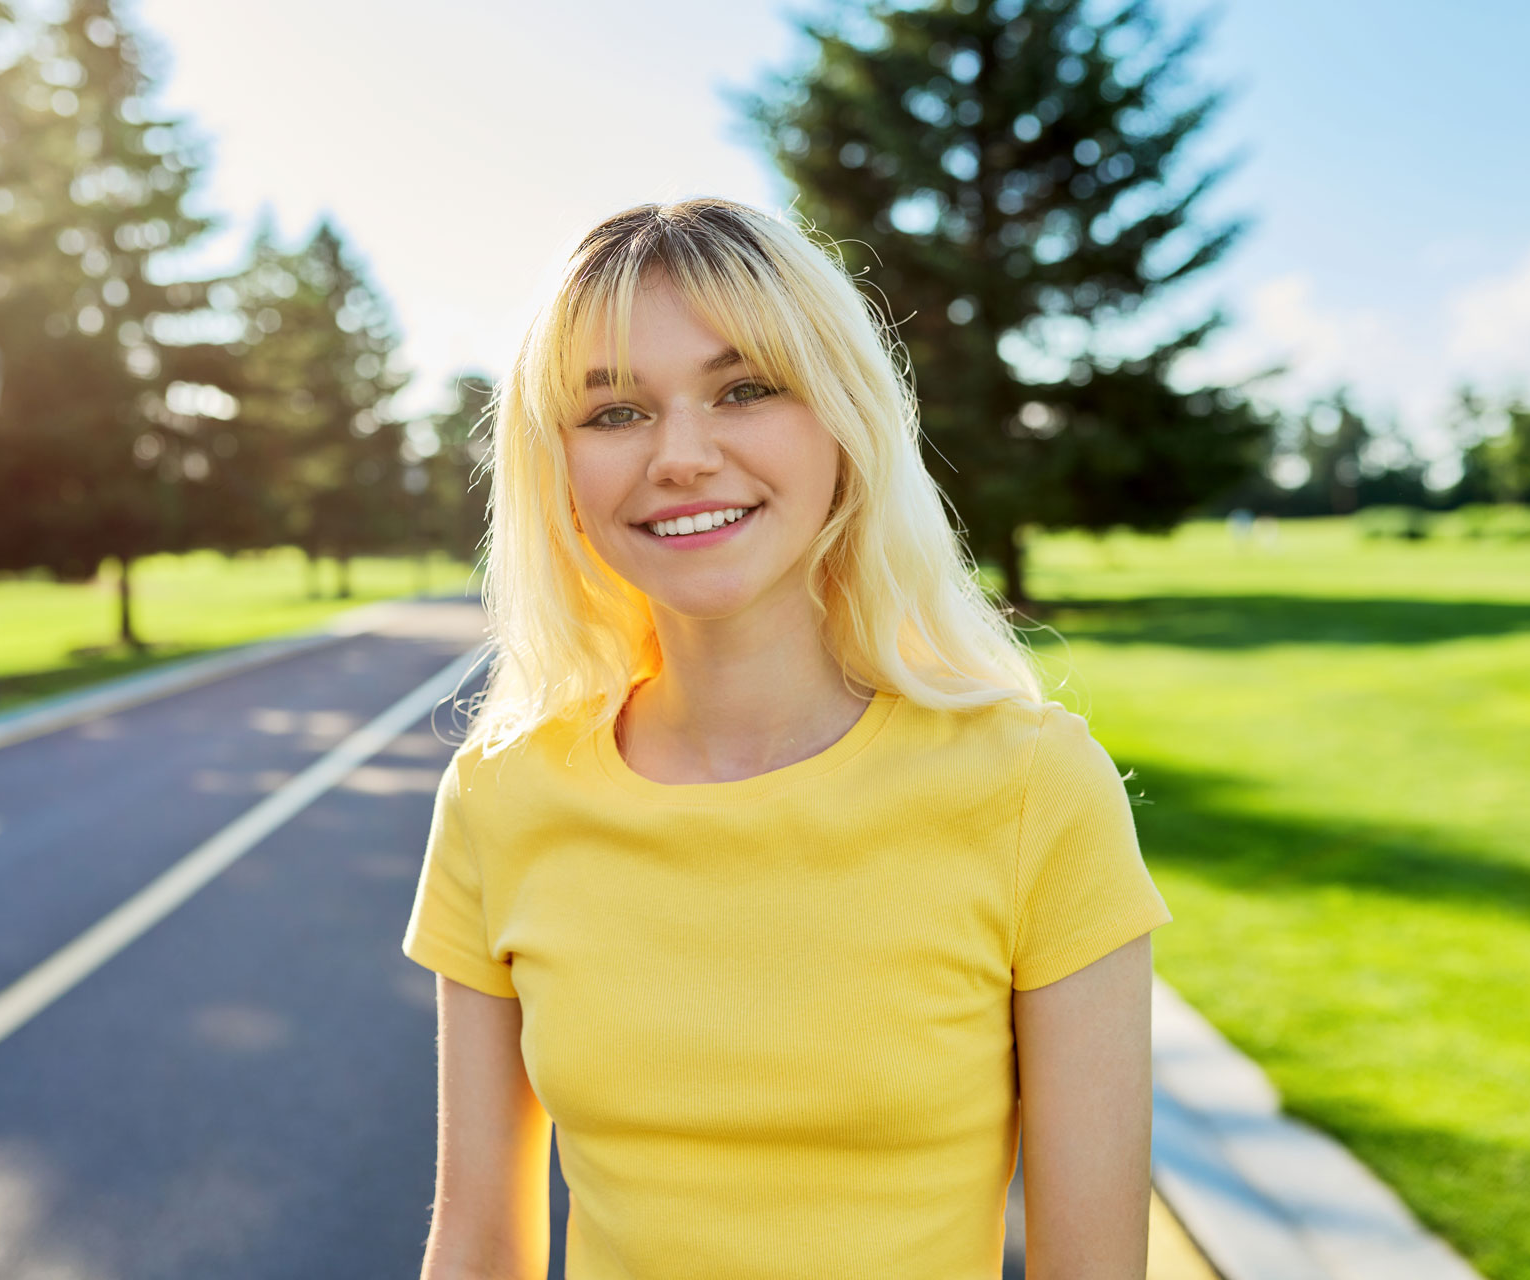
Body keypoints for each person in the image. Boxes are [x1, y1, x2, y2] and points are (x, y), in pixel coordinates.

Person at [402, 197, 1173, 1280]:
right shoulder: (499, 794)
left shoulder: (1032, 787)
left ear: (843, 419)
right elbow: (479, 1246)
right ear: (559, 468)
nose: (680, 455)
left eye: (745, 388)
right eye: (614, 411)